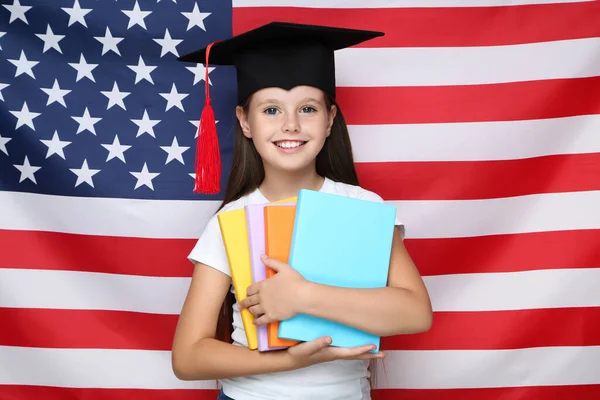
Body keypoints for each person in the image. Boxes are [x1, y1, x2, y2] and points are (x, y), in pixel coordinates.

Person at [171, 21, 433, 400]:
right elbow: (188, 356)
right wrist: (292, 360)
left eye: (307, 108)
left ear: (330, 119)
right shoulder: (231, 220)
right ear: (246, 121)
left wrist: (303, 297)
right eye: (272, 109)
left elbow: (415, 313)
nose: (290, 125)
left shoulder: (360, 207)